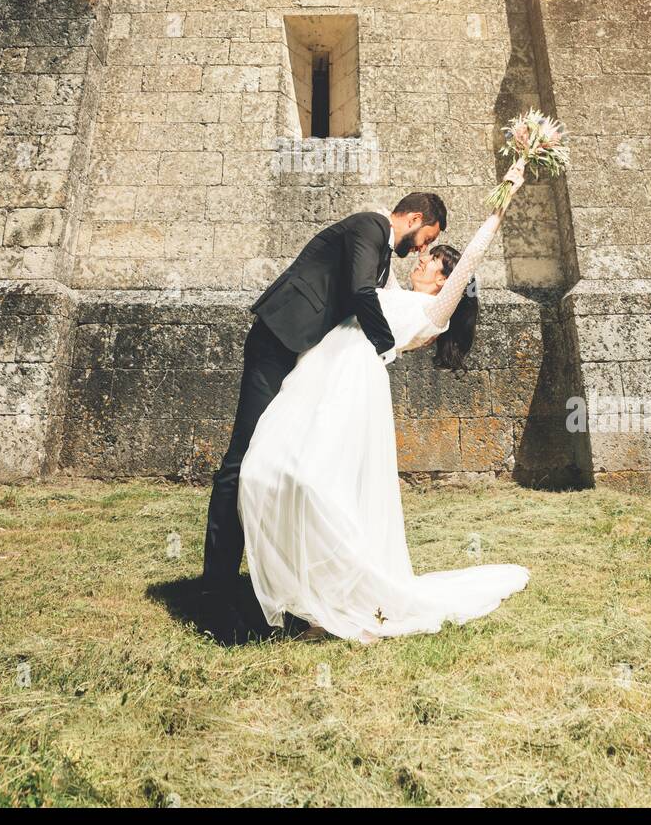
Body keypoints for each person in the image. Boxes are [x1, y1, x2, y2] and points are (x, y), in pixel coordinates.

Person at [237, 160, 529, 644]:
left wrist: (506, 194)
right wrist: (386, 219)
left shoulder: (435, 310)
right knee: (266, 470)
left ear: (445, 280)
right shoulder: (391, 286)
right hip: (319, 373)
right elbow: (379, 243)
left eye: (433, 257)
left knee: (318, 483)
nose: (424, 256)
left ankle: (340, 600)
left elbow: (474, 254)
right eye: (425, 247)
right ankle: (307, 592)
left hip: (353, 385)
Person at [199, 191, 448, 645]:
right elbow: (357, 293)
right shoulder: (370, 228)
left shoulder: (380, 253)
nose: (419, 249)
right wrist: (384, 345)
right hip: (277, 341)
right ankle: (214, 598)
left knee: (273, 463)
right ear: (413, 218)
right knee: (241, 464)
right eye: (424, 237)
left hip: (297, 353)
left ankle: (262, 588)